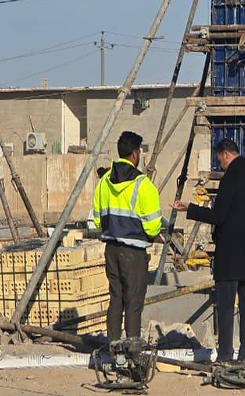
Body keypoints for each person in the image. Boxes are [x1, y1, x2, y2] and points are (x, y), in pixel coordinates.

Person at [173, 139, 245, 364]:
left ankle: (225, 356)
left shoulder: (230, 179)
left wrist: (191, 209)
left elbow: (218, 216)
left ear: (225, 154)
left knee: (225, 308)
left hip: (229, 254)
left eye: (219, 159)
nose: (220, 163)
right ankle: (244, 356)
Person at [92, 131, 163, 341]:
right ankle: (132, 349)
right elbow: (152, 227)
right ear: (134, 154)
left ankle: (112, 346)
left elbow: (98, 218)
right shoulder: (143, 185)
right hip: (133, 252)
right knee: (133, 303)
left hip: (111, 249)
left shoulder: (104, 181)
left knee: (116, 299)